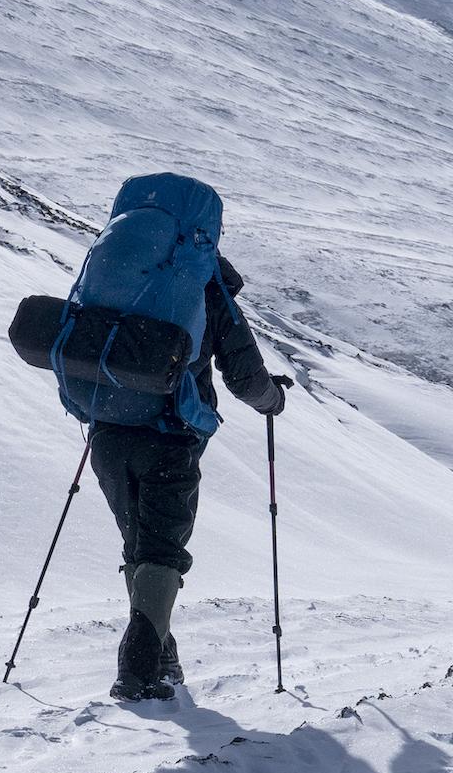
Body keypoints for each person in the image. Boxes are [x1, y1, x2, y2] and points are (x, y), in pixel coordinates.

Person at [60, 174, 285, 703]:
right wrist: (272, 400)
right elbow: (244, 374)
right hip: (170, 434)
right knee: (161, 551)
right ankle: (137, 673)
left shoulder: (113, 272)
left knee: (137, 546)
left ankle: (162, 659)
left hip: (108, 430)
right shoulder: (203, 284)